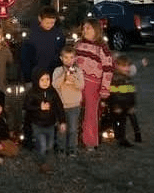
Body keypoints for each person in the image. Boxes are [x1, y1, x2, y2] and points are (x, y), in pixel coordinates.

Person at [75, 19, 114, 151]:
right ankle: (73, 138)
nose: (85, 31)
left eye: (88, 28)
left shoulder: (101, 48)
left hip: (93, 85)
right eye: (84, 28)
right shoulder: (78, 45)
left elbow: (108, 69)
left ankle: (90, 141)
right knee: (74, 110)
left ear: (96, 30)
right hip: (77, 82)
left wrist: (105, 88)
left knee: (90, 113)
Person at [23, 68, 66, 173]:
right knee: (42, 145)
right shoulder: (32, 93)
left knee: (50, 146)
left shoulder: (52, 92)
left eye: (47, 79)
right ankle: (43, 164)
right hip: (37, 124)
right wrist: (39, 107)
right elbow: (27, 106)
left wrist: (62, 121)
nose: (45, 82)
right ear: (37, 80)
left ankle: (48, 160)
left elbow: (59, 107)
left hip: (50, 124)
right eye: (42, 80)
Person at [107, 54, 147, 147]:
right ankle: (120, 139)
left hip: (126, 105)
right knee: (118, 122)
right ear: (117, 66)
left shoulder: (127, 78)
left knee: (123, 122)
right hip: (118, 106)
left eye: (128, 66)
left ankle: (124, 138)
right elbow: (113, 94)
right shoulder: (116, 79)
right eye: (124, 66)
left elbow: (131, 93)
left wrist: (132, 105)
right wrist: (115, 105)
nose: (127, 68)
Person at [52, 45, 85, 156]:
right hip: (61, 106)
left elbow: (81, 86)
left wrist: (73, 79)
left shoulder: (78, 71)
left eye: (71, 57)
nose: (69, 60)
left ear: (75, 58)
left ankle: (72, 148)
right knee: (62, 128)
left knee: (73, 129)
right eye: (66, 57)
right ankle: (61, 148)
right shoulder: (58, 70)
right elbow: (54, 85)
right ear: (61, 58)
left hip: (74, 106)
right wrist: (64, 77)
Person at [21, 6, 66, 86]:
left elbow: (62, 53)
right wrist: (27, 78)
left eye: (52, 23)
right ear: (40, 19)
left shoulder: (59, 34)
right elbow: (25, 59)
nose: (49, 25)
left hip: (54, 74)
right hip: (36, 74)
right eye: (47, 22)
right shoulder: (32, 36)